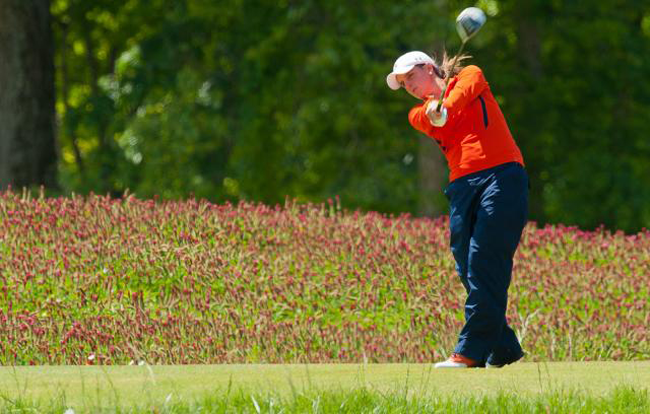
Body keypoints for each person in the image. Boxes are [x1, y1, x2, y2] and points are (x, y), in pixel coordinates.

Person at [386, 51, 529, 368]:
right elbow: (433, 118)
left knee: (483, 259)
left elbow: (461, 94)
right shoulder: (418, 114)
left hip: (502, 177)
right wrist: (436, 111)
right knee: (467, 266)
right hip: (462, 187)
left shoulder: (470, 75)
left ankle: (469, 352)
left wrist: (445, 105)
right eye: (403, 84)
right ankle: (503, 348)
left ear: (428, 68)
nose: (408, 86)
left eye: (411, 77)